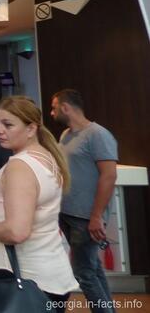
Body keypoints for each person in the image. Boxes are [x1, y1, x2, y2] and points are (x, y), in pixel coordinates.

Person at [0, 96, 78, 313]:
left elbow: (17, 232)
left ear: (31, 128)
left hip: (20, 276)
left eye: (8, 125)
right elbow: (30, 210)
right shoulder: (47, 157)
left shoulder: (20, 166)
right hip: (49, 272)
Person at [51, 89, 118, 313]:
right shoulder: (66, 135)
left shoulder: (98, 135)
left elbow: (109, 176)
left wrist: (97, 216)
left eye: (54, 108)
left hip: (85, 217)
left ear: (65, 107)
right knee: (92, 269)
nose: (51, 113)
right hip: (68, 214)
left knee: (84, 273)